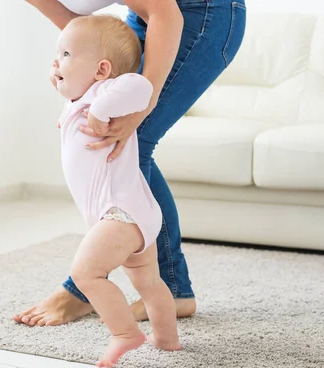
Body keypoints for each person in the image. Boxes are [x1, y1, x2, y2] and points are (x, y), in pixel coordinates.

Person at [14, 0, 246, 327]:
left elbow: (166, 14)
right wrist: (69, 69)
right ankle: (161, 286)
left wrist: (143, 104)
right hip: (144, 17)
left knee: (129, 139)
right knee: (123, 138)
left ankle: (89, 286)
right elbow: (78, 31)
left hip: (199, 14)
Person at [52, 14, 181, 368]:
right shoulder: (81, 98)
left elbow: (140, 87)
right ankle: (167, 340)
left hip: (119, 213)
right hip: (130, 211)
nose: (55, 62)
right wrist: (67, 86)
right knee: (149, 283)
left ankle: (125, 333)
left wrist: (102, 106)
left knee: (86, 274)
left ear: (102, 68)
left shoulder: (105, 93)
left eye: (65, 54)